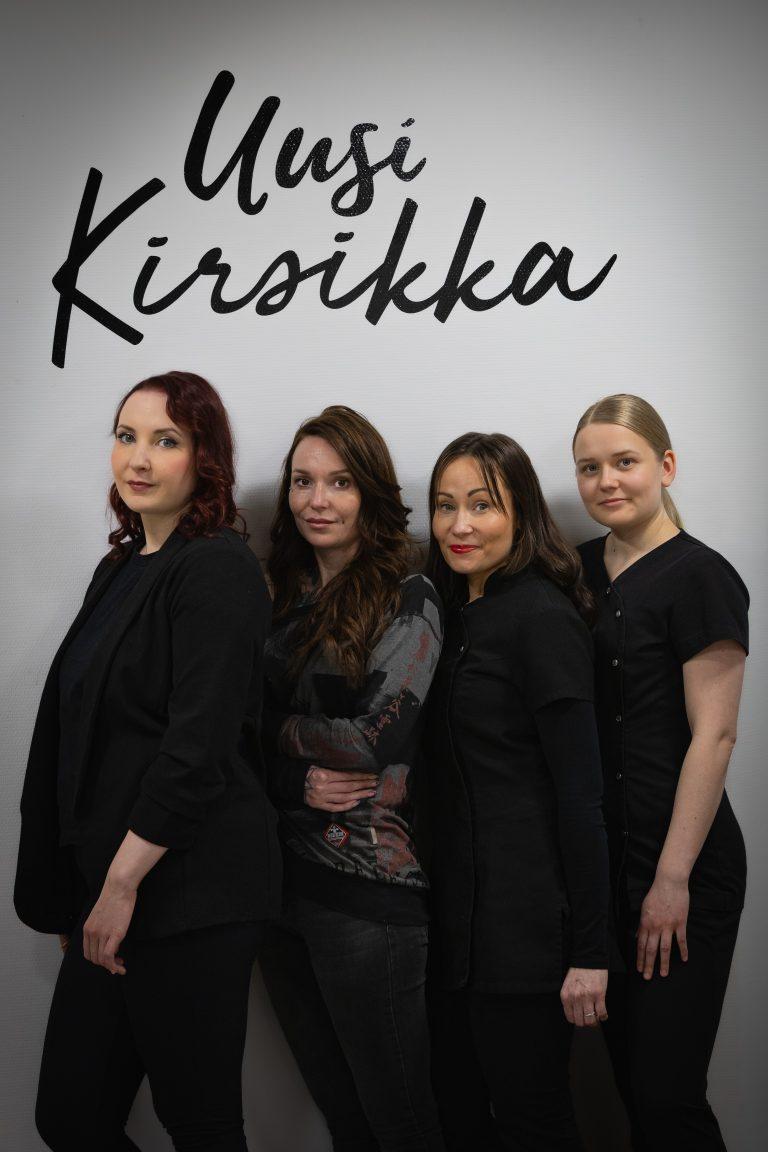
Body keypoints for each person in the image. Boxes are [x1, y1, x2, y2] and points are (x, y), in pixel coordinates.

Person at [14, 371, 281, 1152]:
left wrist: (119, 887)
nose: (138, 457)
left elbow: (195, 752)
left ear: (205, 457)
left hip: (190, 887)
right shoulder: (123, 567)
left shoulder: (218, 568)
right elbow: (82, 738)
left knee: (198, 1122)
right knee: (71, 1116)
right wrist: (79, 886)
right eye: (127, 436)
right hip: (113, 886)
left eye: (166, 440)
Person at [256, 405, 445, 1152]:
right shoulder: (280, 594)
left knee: (402, 1125)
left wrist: (272, 732)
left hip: (368, 896)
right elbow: (226, 740)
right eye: (302, 481)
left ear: (370, 491)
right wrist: (292, 774)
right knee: (346, 1120)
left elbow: (368, 742)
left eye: (339, 482)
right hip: (278, 890)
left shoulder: (410, 595)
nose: (317, 500)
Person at [422, 432, 610, 1152]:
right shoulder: (445, 615)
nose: (460, 525)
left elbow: (581, 797)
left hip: (526, 935)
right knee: (460, 1121)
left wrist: (590, 951)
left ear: (521, 511)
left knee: (535, 1125)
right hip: (453, 932)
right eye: (445, 506)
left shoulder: (542, 618)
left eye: (481, 505)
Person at [572, 394, 749, 1152]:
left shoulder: (702, 576)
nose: (607, 481)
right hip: (606, 862)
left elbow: (716, 735)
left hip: (683, 866)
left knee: (666, 1096)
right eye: (589, 468)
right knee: (627, 1093)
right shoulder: (577, 570)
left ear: (666, 466)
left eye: (625, 461)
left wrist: (671, 880)